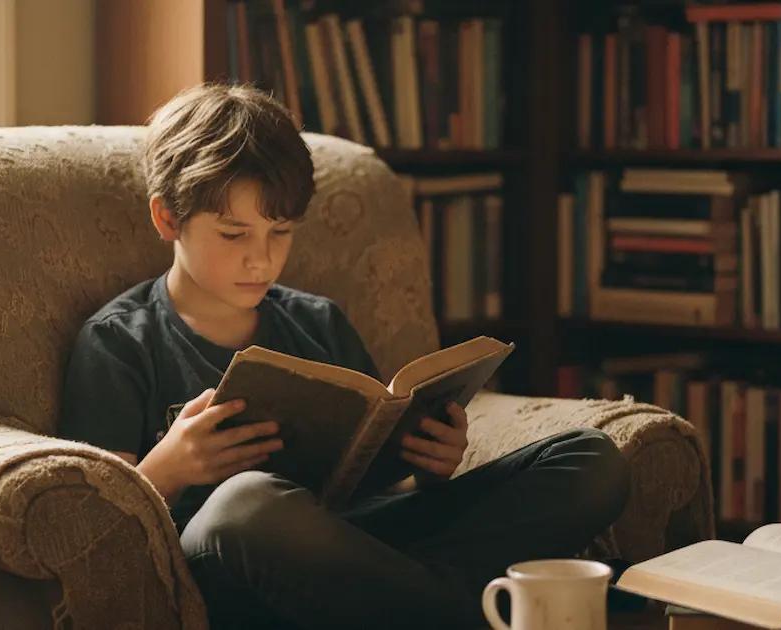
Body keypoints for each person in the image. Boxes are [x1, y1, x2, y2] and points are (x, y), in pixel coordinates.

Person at [58, 83, 630, 629]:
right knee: (246, 503)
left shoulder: (316, 321)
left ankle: (416, 608)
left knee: (589, 458)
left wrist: (430, 466)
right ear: (167, 219)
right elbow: (98, 528)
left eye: (280, 232)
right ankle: (458, 612)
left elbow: (374, 483)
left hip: (357, 549)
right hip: (235, 561)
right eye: (235, 235)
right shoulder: (119, 342)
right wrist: (170, 467)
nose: (262, 260)